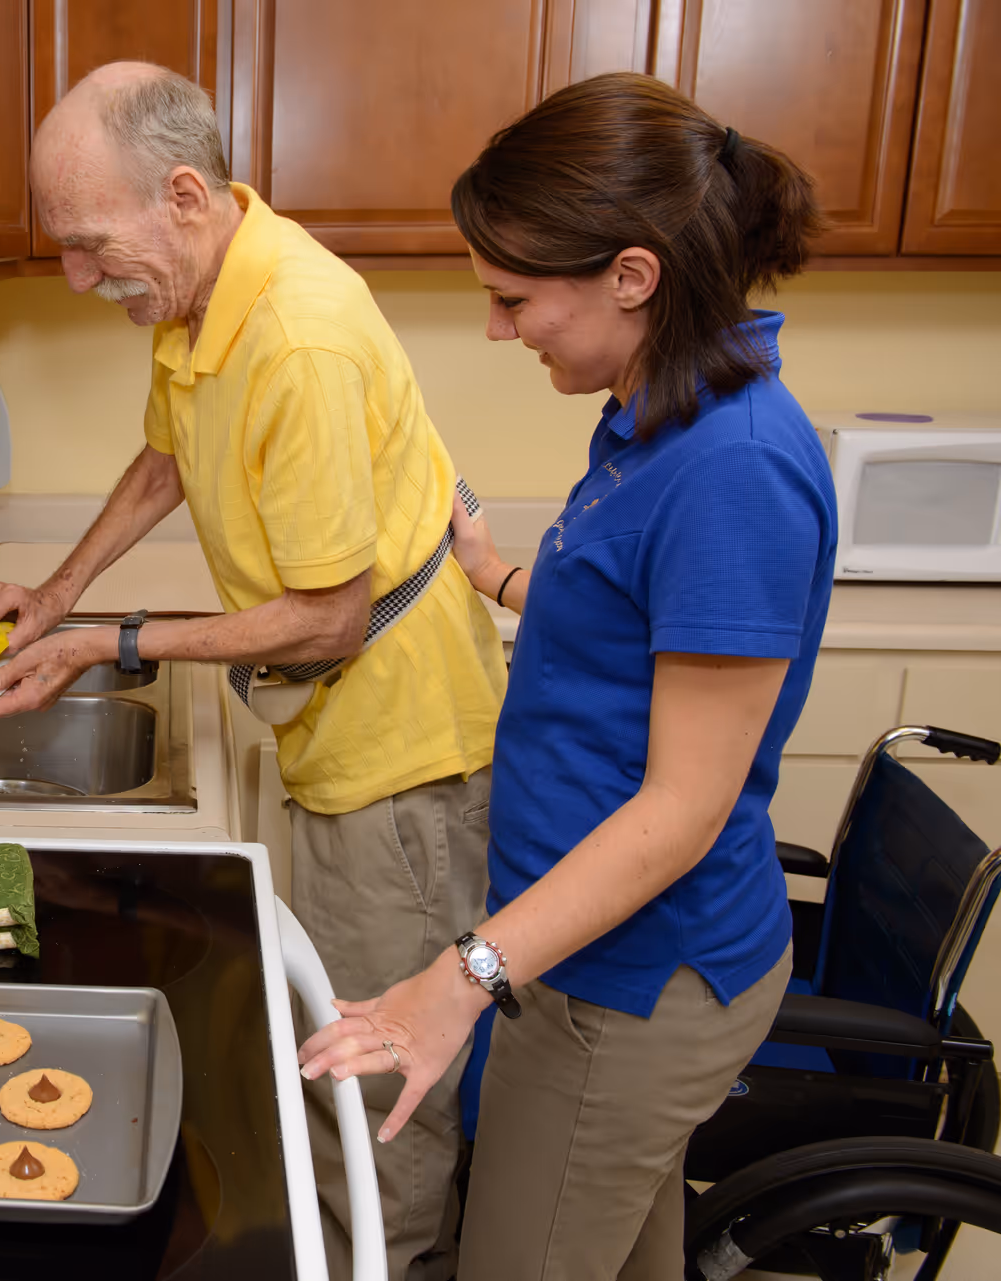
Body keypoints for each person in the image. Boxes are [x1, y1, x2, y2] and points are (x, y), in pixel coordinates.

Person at [0, 62, 506, 1280]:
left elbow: (328, 620)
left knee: (378, 1100)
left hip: (398, 765)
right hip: (342, 746)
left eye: (92, 246)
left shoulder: (297, 336)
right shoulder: (211, 292)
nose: (79, 278)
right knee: (335, 1061)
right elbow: (167, 457)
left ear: (186, 194)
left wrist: (114, 641)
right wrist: (59, 593)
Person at [298, 71, 837, 1280]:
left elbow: (685, 805)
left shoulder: (733, 470)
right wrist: (495, 577)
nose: (499, 329)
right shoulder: (658, 411)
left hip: (635, 981)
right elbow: (638, 632)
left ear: (632, 277)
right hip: (584, 958)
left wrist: (462, 976)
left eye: (513, 297)